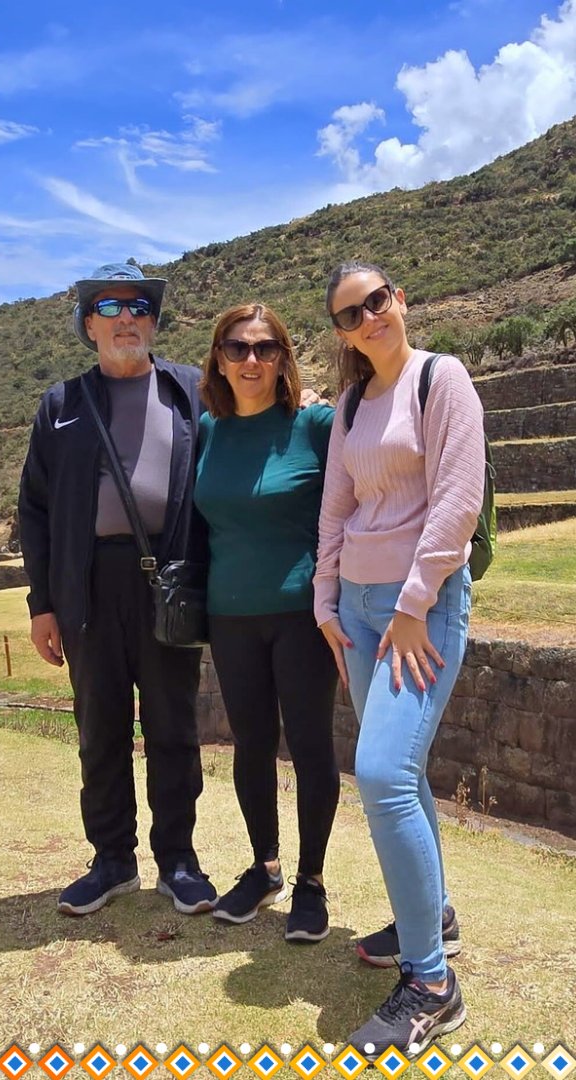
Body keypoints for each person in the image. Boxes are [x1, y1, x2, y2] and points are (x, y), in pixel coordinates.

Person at [314, 260, 485, 1056]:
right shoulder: (352, 402)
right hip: (356, 607)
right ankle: (435, 918)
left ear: (400, 301)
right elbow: (337, 508)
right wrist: (325, 597)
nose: (368, 319)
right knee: (405, 778)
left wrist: (415, 603)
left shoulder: (440, 380)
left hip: (422, 611)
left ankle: (431, 984)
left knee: (381, 774)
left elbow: (458, 497)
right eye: (351, 315)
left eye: (376, 302)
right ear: (342, 332)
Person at [17, 262, 217, 917]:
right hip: (88, 589)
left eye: (139, 306)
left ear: (153, 322)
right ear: (89, 323)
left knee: (174, 728)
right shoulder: (61, 406)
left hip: (170, 580)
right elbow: (36, 510)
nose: (127, 316)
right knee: (99, 728)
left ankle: (179, 861)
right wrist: (42, 603)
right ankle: (111, 860)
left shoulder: (192, 390)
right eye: (110, 305)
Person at [194, 303, 339, 943]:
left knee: (310, 747)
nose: (251, 360)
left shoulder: (314, 423)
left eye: (265, 348)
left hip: (302, 615)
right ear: (218, 361)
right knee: (250, 746)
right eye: (236, 348)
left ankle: (311, 882)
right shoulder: (206, 431)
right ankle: (265, 866)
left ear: (283, 358)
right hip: (230, 616)